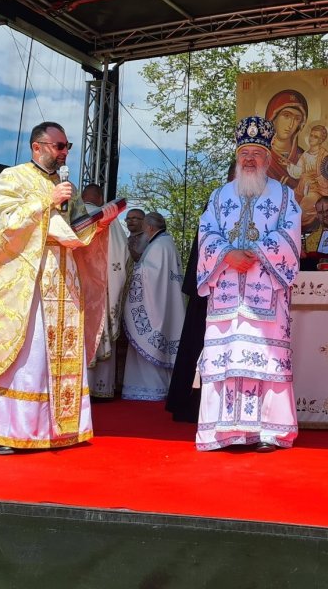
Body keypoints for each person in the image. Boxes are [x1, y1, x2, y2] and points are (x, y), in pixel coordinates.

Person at [0, 122, 117, 454]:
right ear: (37, 146)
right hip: (28, 280)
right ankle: (8, 431)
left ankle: (60, 428)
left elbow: (76, 230)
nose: (64, 153)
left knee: (60, 353)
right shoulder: (13, 178)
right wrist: (46, 201)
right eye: (58, 146)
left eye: (67, 147)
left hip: (64, 275)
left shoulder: (65, 187)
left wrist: (100, 222)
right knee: (29, 354)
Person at [195, 116, 301, 451]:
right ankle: (223, 432)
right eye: (245, 153)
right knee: (226, 358)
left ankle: (269, 432)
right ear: (237, 158)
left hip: (265, 292)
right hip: (226, 294)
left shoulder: (285, 196)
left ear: (268, 159)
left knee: (264, 359)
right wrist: (227, 253)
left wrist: (254, 252)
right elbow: (205, 234)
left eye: (257, 153)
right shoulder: (219, 196)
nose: (250, 159)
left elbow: (290, 235)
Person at [167, 161, 237, 423]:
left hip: (222, 283)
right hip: (210, 285)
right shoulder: (219, 202)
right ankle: (192, 404)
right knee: (199, 342)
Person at [121, 212, 186, 401]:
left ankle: (149, 388)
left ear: (149, 227)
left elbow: (148, 274)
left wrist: (134, 267)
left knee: (149, 341)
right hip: (163, 304)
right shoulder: (165, 243)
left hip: (154, 307)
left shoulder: (159, 245)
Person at [84, 184, 131, 400]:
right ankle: (99, 389)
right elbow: (123, 258)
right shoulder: (108, 220)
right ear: (101, 198)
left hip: (75, 289)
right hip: (101, 290)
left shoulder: (72, 215)